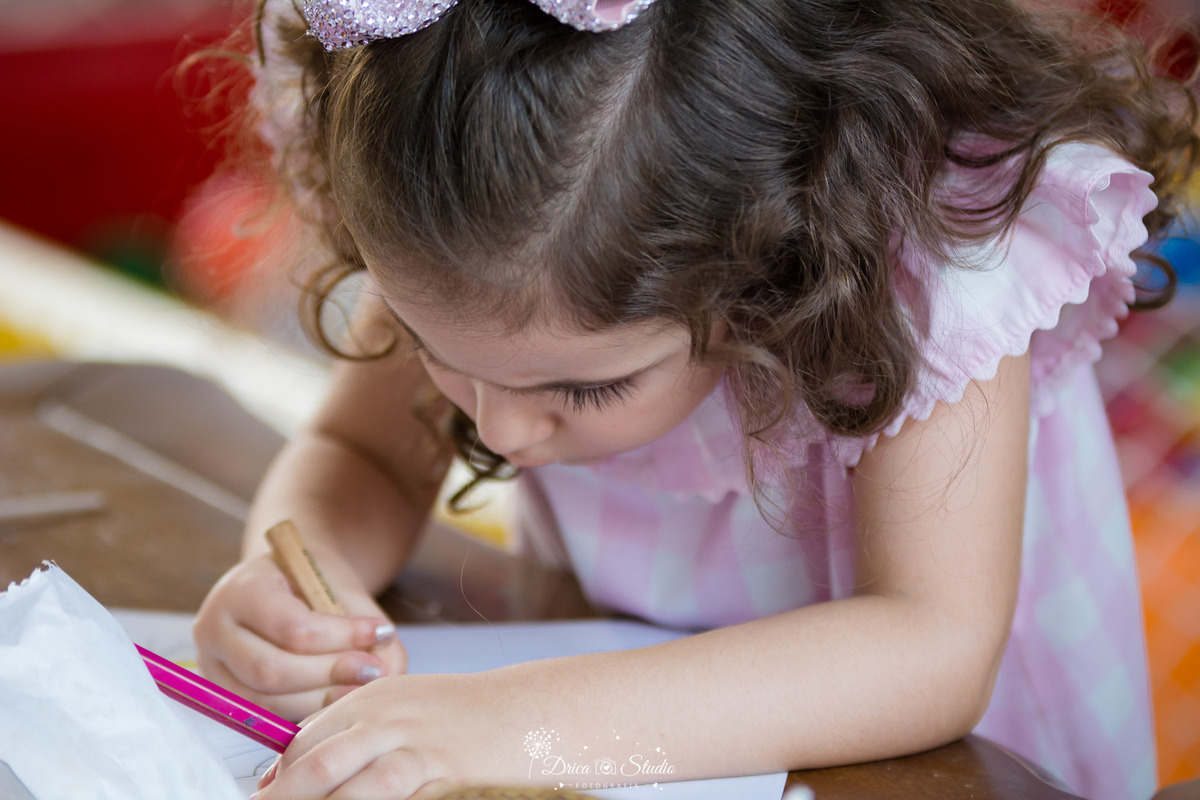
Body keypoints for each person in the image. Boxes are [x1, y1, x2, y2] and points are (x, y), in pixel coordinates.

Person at [191, 1, 1200, 798]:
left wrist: (510, 724)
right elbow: (362, 453)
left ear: (764, 266)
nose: (496, 428)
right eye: (427, 345)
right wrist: (298, 563)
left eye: (583, 385)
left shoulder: (923, 275)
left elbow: (928, 646)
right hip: (633, 720)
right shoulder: (474, 239)